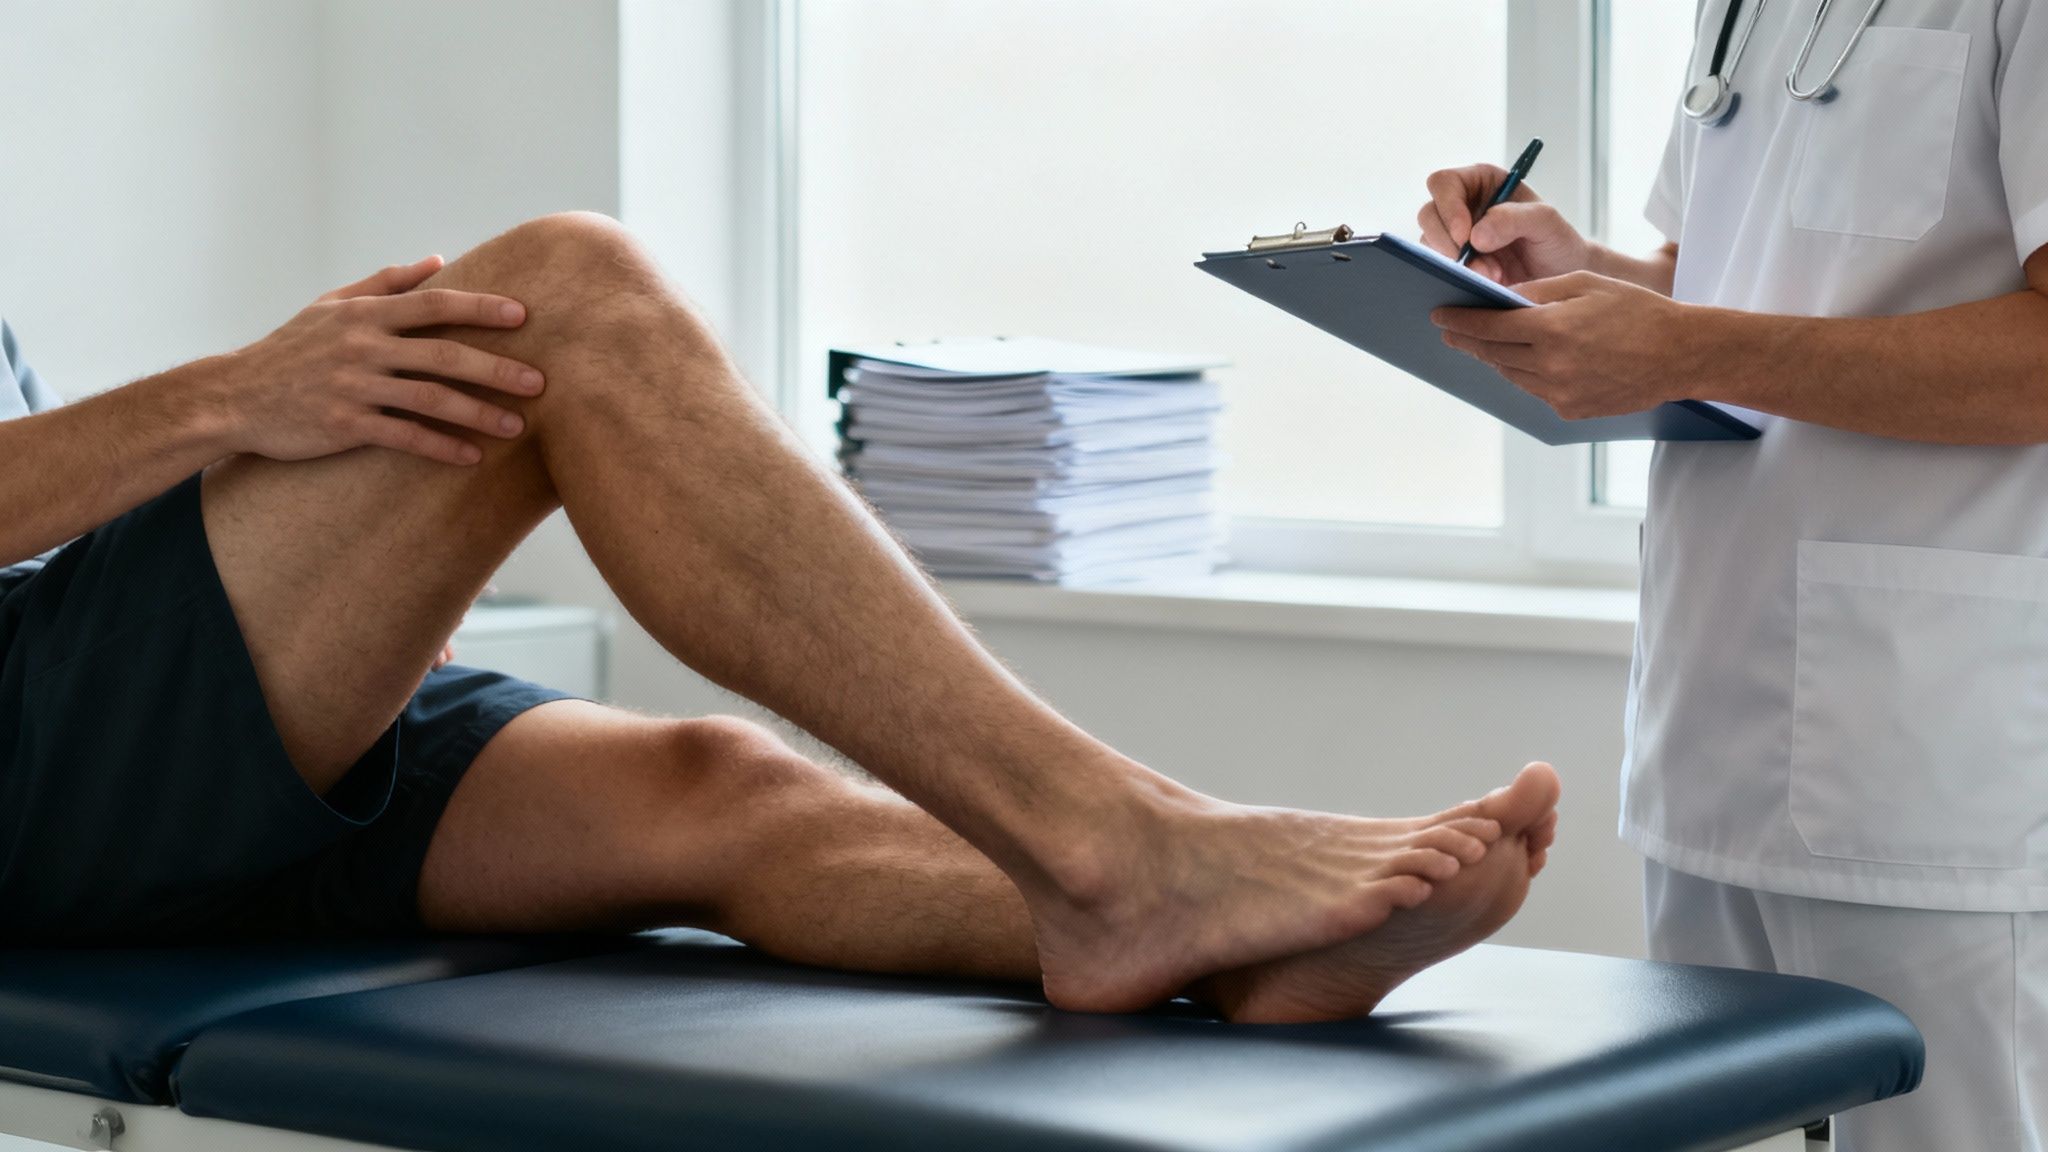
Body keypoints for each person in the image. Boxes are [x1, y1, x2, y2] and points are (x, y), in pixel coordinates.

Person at [0, 211, 1560, 1023]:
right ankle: (1129, 853)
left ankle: (1225, 948)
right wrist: (232, 396)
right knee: (563, 295)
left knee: (721, 789)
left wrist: (351, 600)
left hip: (54, 699)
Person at [1421, 0, 2048, 1145]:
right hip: (1711, 727)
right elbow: (1734, 274)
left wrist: (1686, 345)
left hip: (1936, 760)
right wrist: (1576, 275)